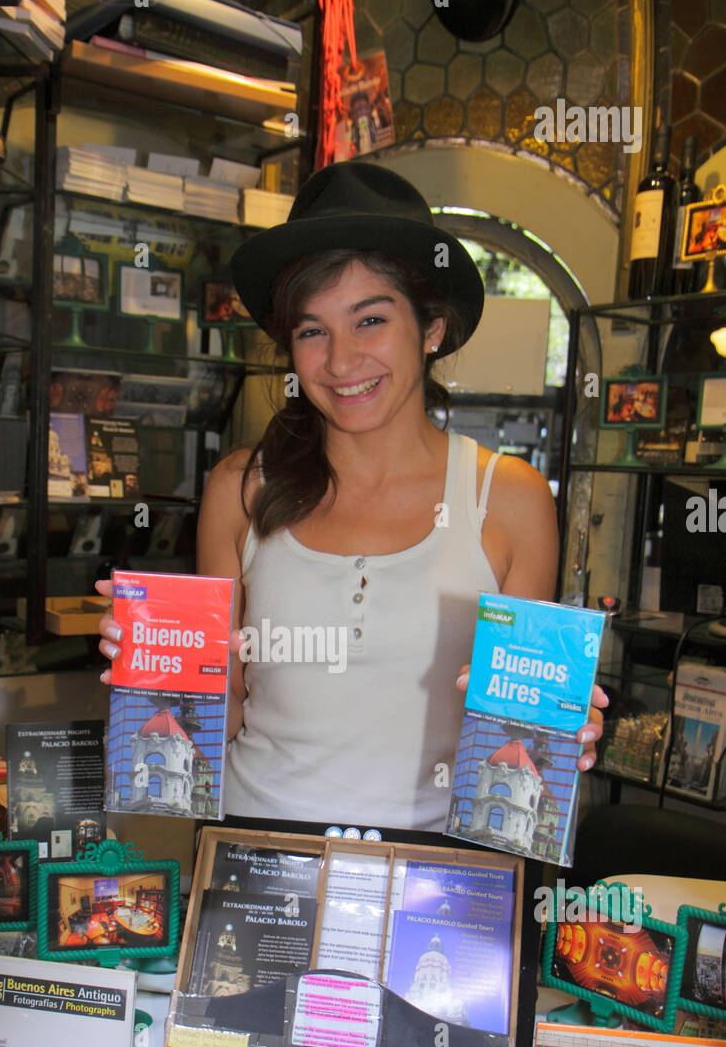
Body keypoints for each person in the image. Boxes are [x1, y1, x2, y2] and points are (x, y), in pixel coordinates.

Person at [98, 161, 606, 832]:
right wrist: (160, 675)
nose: (340, 362)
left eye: (370, 321)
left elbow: (516, 731)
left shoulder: (505, 498)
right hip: (254, 875)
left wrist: (558, 735)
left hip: (427, 887)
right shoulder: (242, 491)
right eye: (312, 331)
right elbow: (219, 714)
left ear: (431, 329)